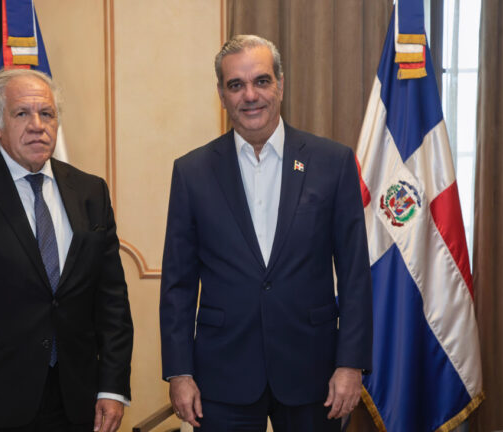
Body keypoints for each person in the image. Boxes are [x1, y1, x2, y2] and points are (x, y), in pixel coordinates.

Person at [159, 35, 372, 431]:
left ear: (281, 84)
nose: (250, 95)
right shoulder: (191, 173)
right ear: (221, 94)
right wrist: (179, 372)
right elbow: (178, 283)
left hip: (314, 371)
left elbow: (356, 275)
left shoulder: (333, 162)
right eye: (236, 85)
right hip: (223, 375)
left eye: (261, 81)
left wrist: (351, 363)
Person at [0, 69, 133, 432]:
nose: (37, 125)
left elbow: (112, 301)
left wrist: (113, 387)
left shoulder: (90, 192)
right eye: (22, 114)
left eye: (46, 114)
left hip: (78, 401)